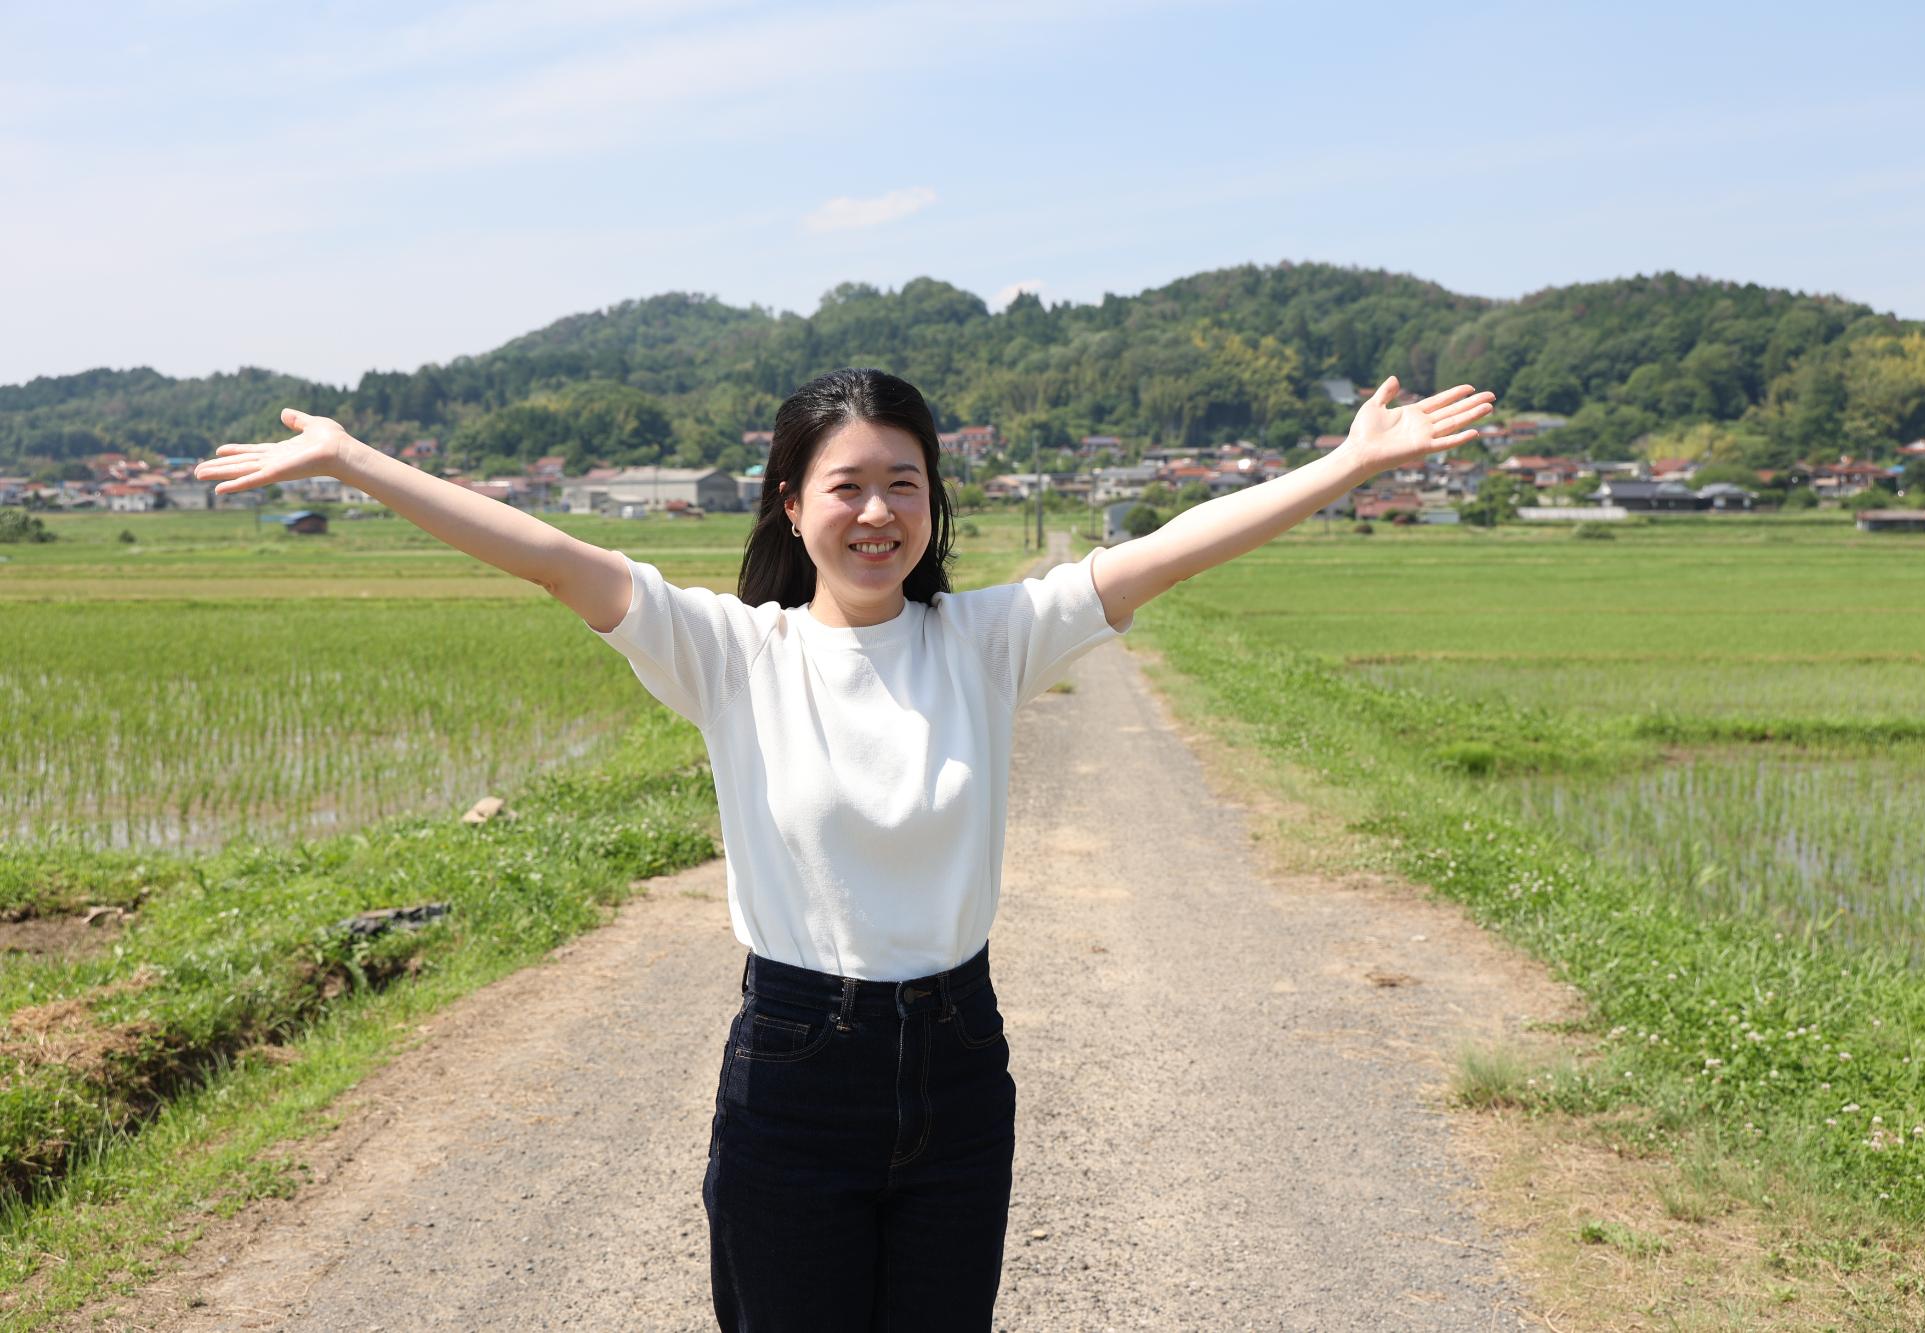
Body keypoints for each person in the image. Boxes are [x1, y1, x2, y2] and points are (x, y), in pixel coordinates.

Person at [195, 366, 1492, 1329]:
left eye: (905, 482)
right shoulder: (732, 652)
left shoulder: (988, 640)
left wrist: (1352, 464)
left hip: (960, 1064)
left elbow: (1165, 553)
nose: (878, 511)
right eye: (848, 485)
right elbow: (553, 558)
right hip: (794, 1071)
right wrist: (354, 460)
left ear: (936, 498)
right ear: (792, 500)